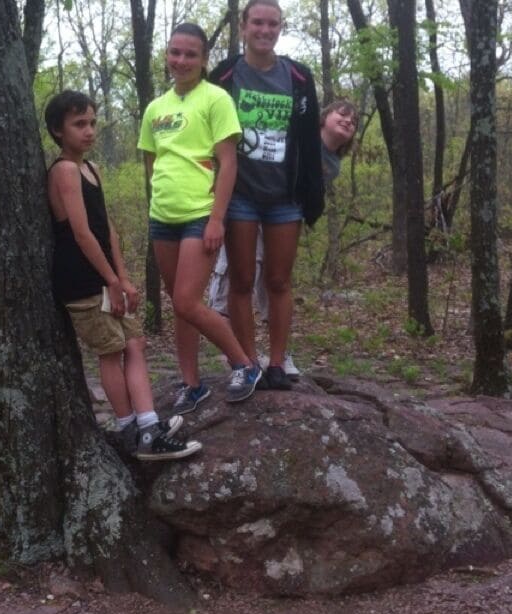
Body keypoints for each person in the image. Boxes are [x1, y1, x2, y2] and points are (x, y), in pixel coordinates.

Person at [45, 90, 201, 461]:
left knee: (135, 344)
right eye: (79, 124)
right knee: (112, 351)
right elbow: (81, 233)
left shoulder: (92, 168)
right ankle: (130, 427)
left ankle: (148, 424)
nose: (89, 131)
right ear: (57, 131)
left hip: (107, 277)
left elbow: (107, 229)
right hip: (82, 280)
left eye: (93, 123)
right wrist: (109, 281)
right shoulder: (64, 170)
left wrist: (123, 277)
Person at [138, 22, 263, 416]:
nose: (181, 60)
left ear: (204, 59)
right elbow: (151, 162)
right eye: (175, 52)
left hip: (199, 216)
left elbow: (228, 163)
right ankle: (191, 384)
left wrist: (216, 219)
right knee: (180, 305)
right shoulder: (156, 109)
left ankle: (244, 363)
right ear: (167, 55)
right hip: (163, 218)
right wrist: (159, 200)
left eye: (190, 54)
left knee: (188, 301)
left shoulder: (216, 99)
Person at [210, 0, 324, 391]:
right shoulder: (224, 75)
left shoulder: (297, 76)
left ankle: (277, 362)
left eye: (272, 23)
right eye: (257, 22)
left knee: (278, 280)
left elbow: (309, 140)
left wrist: (313, 194)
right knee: (241, 280)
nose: (265, 29)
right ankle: (246, 363)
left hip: (284, 197)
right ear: (243, 26)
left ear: (281, 28)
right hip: (239, 193)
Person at [206, 98, 359, 381]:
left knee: (275, 282)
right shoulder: (299, 134)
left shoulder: (333, 164)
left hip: (283, 218)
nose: (348, 121)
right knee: (237, 276)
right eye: (342, 114)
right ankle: (238, 354)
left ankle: (278, 353)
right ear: (323, 117)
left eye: (354, 121)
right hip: (250, 205)